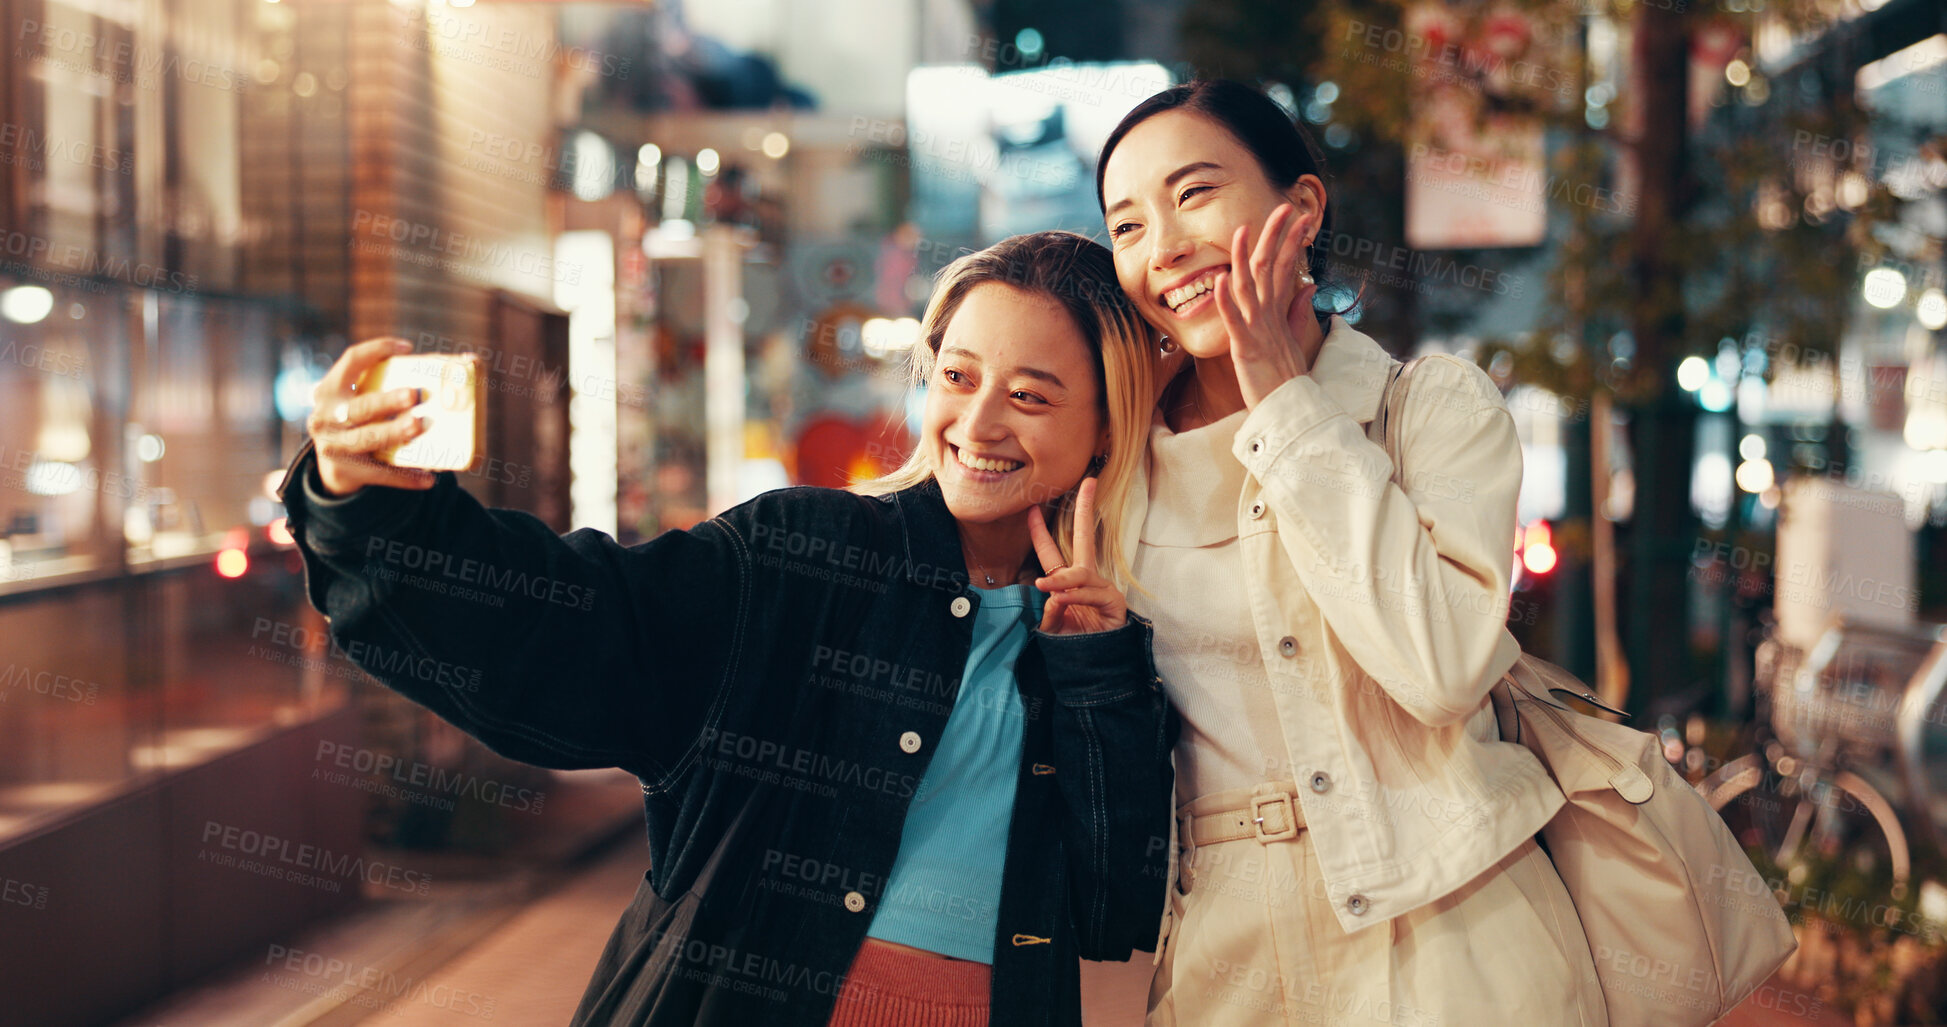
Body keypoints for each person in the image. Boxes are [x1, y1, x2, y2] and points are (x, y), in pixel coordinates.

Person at [276, 231, 1176, 1027]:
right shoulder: (801, 555)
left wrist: (1094, 670)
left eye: (1030, 395)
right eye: (957, 376)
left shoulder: (1106, 642)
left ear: (1103, 429)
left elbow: (1114, 910)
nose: (977, 422)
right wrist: (366, 510)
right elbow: (568, 627)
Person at [1095, 80, 1607, 1025]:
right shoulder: (1119, 462)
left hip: (1452, 949)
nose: (1162, 247)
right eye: (1126, 227)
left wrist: (1285, 404)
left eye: (1193, 194)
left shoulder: (1431, 407)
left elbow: (1440, 668)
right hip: (1224, 966)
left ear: (1301, 207)